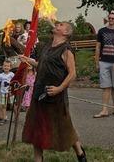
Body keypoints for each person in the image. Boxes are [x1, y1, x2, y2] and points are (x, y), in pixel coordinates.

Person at [21, 22, 87, 162]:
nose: (57, 25)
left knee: (64, 127)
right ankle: (38, 159)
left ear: (66, 33)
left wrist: (59, 88)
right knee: (37, 128)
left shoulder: (66, 50)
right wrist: (29, 61)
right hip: (39, 93)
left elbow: (72, 74)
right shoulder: (47, 46)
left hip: (55, 97)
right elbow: (42, 65)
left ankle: (80, 154)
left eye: (61, 25)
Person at [93, 11, 114, 118]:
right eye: (110, 18)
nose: (111, 20)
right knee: (105, 87)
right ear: (108, 19)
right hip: (103, 62)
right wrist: (97, 63)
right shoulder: (101, 31)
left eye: (113, 18)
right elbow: (98, 47)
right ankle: (104, 110)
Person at [0, 60, 15, 124]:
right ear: (2, 67)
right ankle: (4, 117)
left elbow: (14, 82)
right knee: (3, 105)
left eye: (8, 66)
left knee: (13, 105)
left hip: (10, 92)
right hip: (3, 92)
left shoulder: (12, 74)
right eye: (5, 66)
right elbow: (0, 82)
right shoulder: (0, 75)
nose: (6, 67)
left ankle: (16, 116)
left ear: (10, 67)